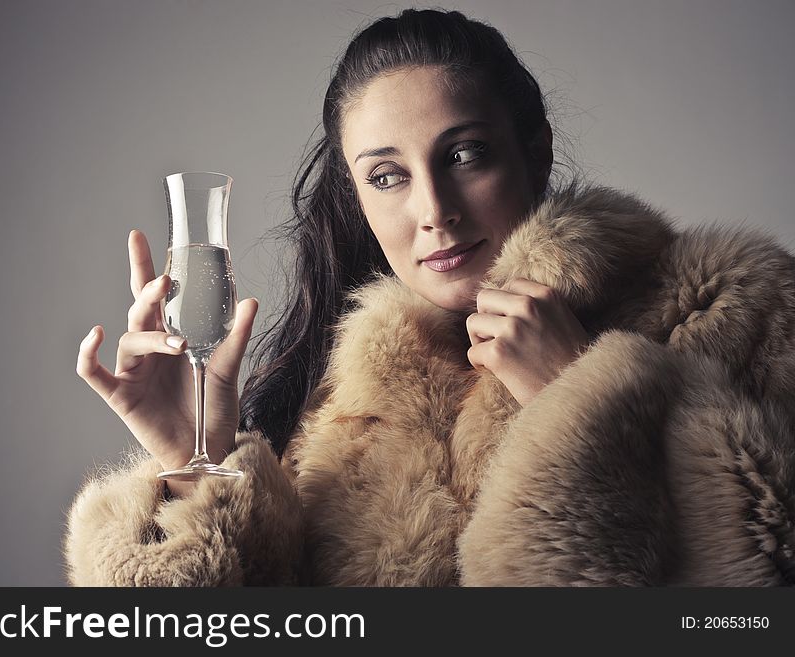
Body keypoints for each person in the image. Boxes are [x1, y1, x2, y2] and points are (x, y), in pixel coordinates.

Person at [67, 8, 795, 586]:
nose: (433, 209)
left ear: (535, 150)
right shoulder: (346, 404)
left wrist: (582, 398)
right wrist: (194, 459)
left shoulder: (735, 307)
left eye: (464, 155)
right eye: (387, 176)